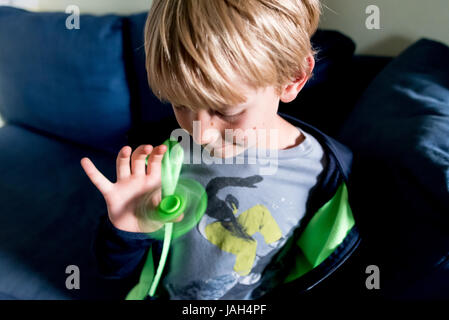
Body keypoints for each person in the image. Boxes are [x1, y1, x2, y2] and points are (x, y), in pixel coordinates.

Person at [81, 0, 361, 300]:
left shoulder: (329, 178)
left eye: (226, 111)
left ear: (293, 78)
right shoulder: (161, 157)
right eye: (181, 105)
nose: (201, 133)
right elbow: (113, 269)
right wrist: (127, 228)